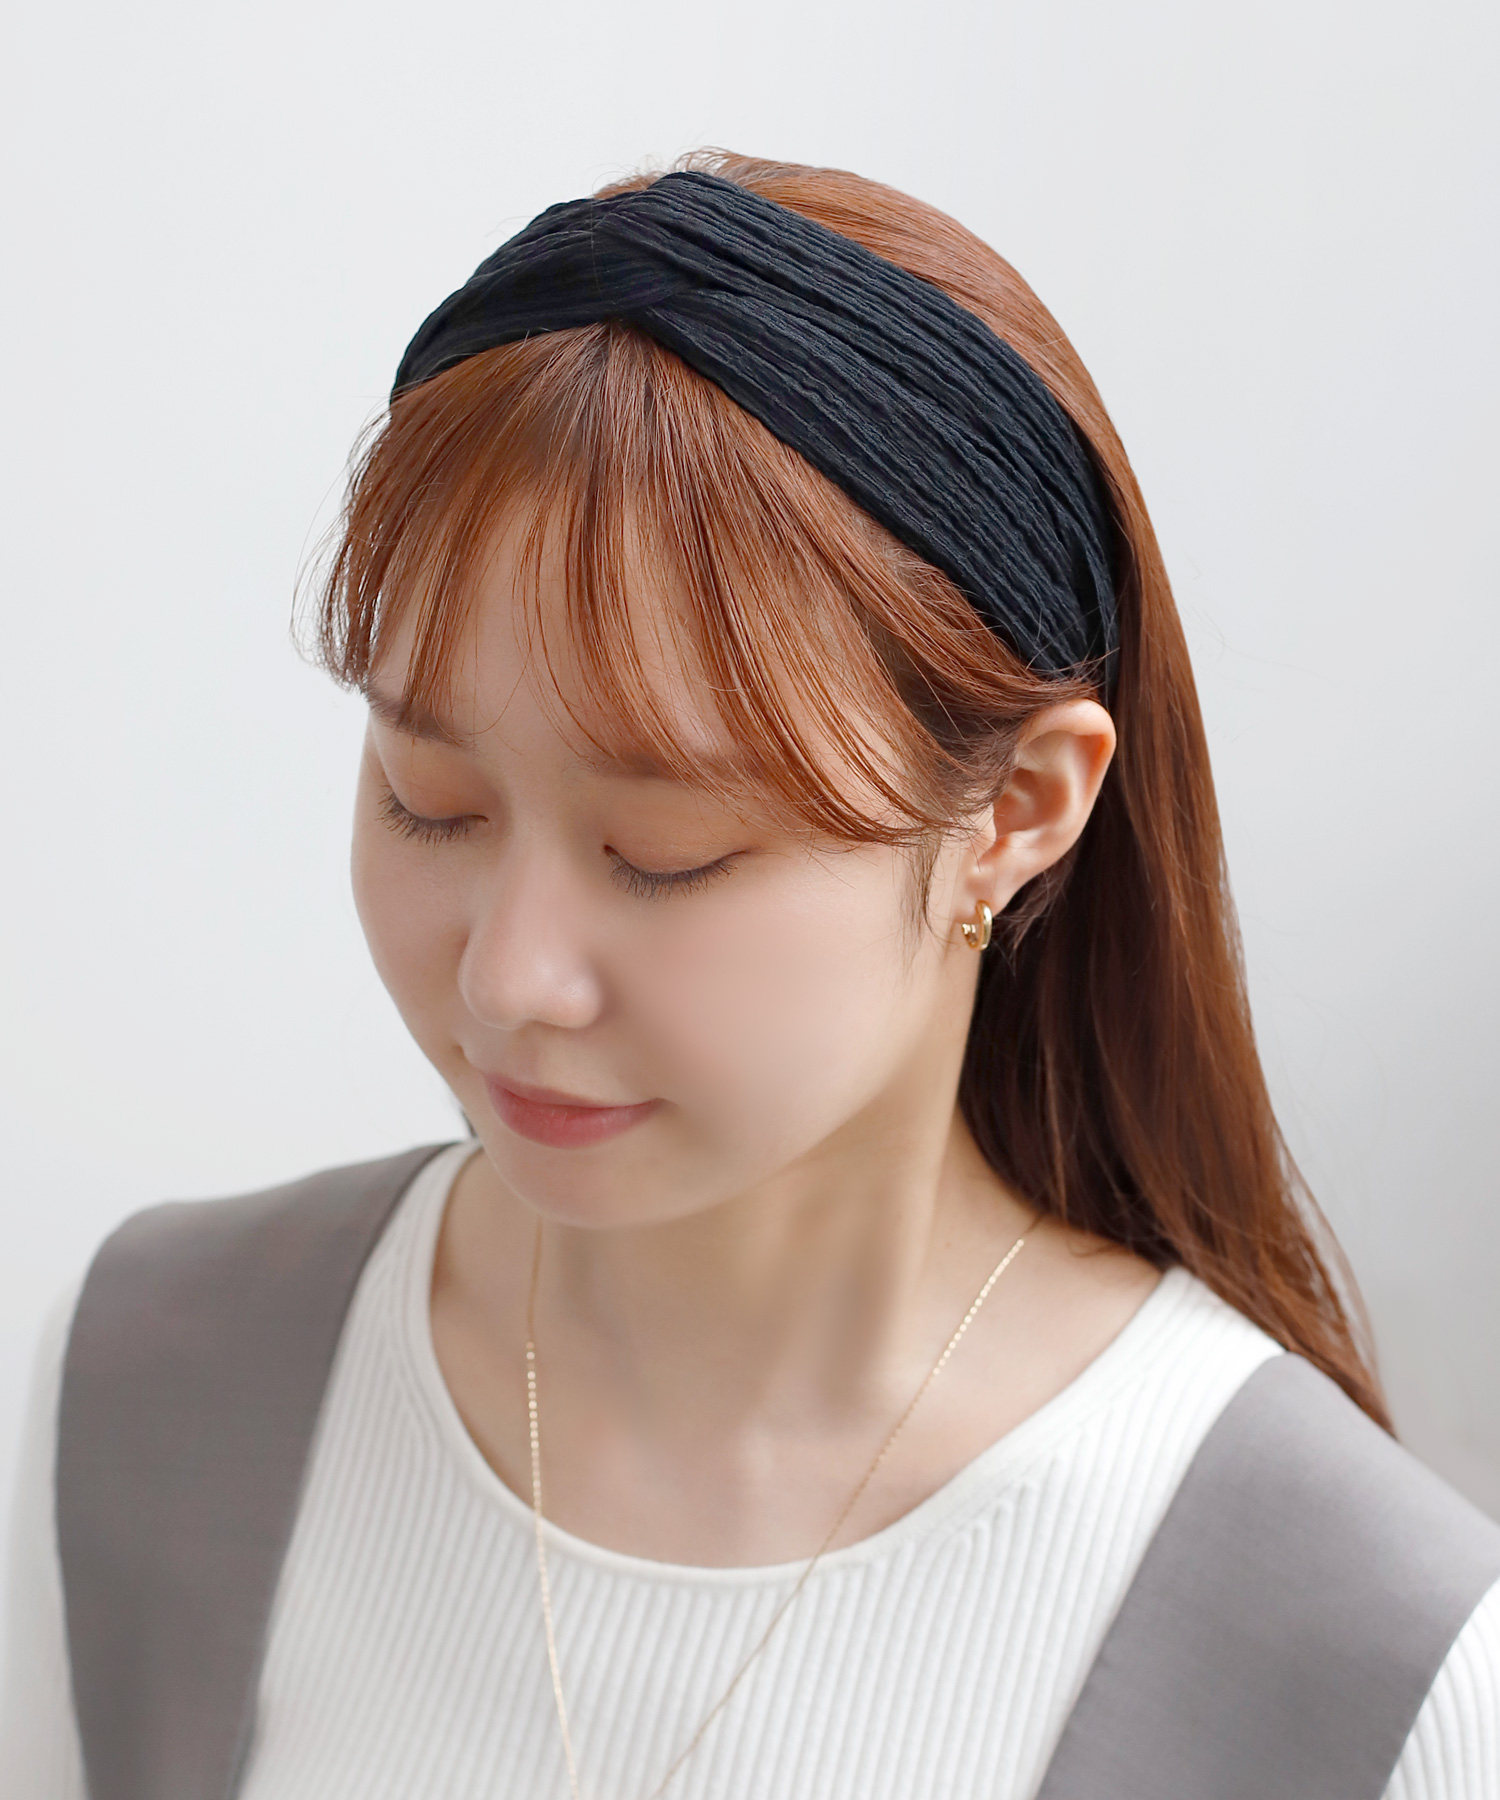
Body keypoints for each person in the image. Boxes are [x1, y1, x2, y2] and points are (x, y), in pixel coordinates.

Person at [3, 150, 1497, 1800]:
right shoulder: (155, 1392)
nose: (510, 979)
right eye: (432, 803)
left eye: (666, 853)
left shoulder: (1367, 1665)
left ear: (1016, 812)